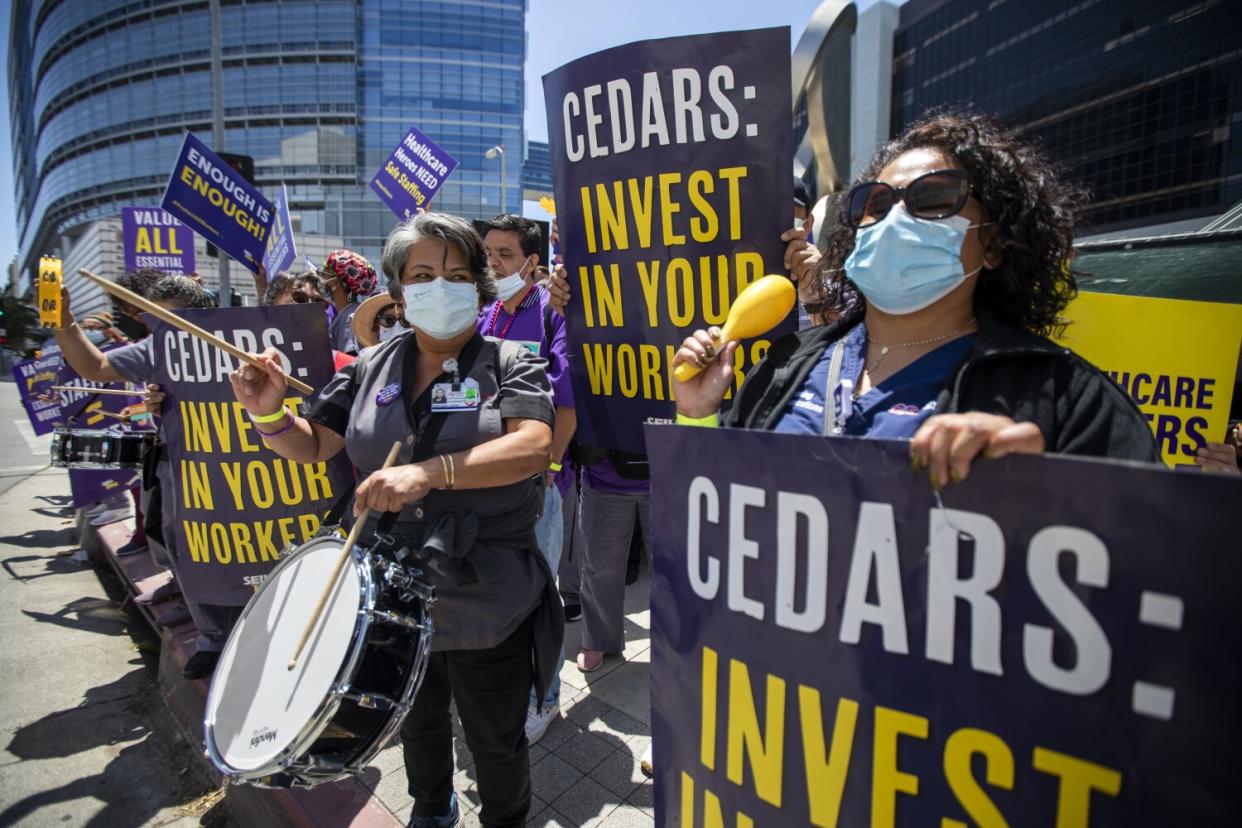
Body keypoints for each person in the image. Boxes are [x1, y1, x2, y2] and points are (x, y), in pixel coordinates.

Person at [229, 212, 561, 828]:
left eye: (459, 274)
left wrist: (429, 473)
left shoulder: (514, 359)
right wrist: (269, 416)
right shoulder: (365, 366)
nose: (442, 287)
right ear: (400, 289)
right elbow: (316, 443)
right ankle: (433, 812)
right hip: (389, 592)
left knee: (495, 739)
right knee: (417, 721)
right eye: (424, 274)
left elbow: (534, 446)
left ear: (480, 288)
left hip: (488, 593)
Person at [672, 109, 1159, 475]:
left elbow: (1152, 572)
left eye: (932, 198)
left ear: (992, 243)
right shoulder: (783, 366)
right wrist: (698, 415)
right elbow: (715, 518)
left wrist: (1047, 495)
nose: (894, 218)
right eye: (875, 203)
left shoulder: (1068, 400)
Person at [55, 275, 234, 678]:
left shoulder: (238, 342)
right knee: (187, 550)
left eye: (168, 319)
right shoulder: (158, 348)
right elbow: (95, 366)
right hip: (180, 469)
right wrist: (64, 322)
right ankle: (212, 637)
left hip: (235, 469)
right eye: (154, 321)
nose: (159, 330)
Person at [477, 213, 575, 743]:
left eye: (505, 255)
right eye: (487, 254)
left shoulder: (553, 315)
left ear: (532, 262)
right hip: (489, 486)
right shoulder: (486, 317)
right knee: (500, 595)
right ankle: (510, 687)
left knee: (540, 597)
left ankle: (548, 697)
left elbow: (568, 406)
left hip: (540, 488)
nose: (492, 264)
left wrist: (549, 470)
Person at [320, 249, 379, 355]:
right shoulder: (350, 313)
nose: (322, 279)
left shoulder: (350, 318)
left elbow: (350, 362)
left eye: (324, 275)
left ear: (336, 282)